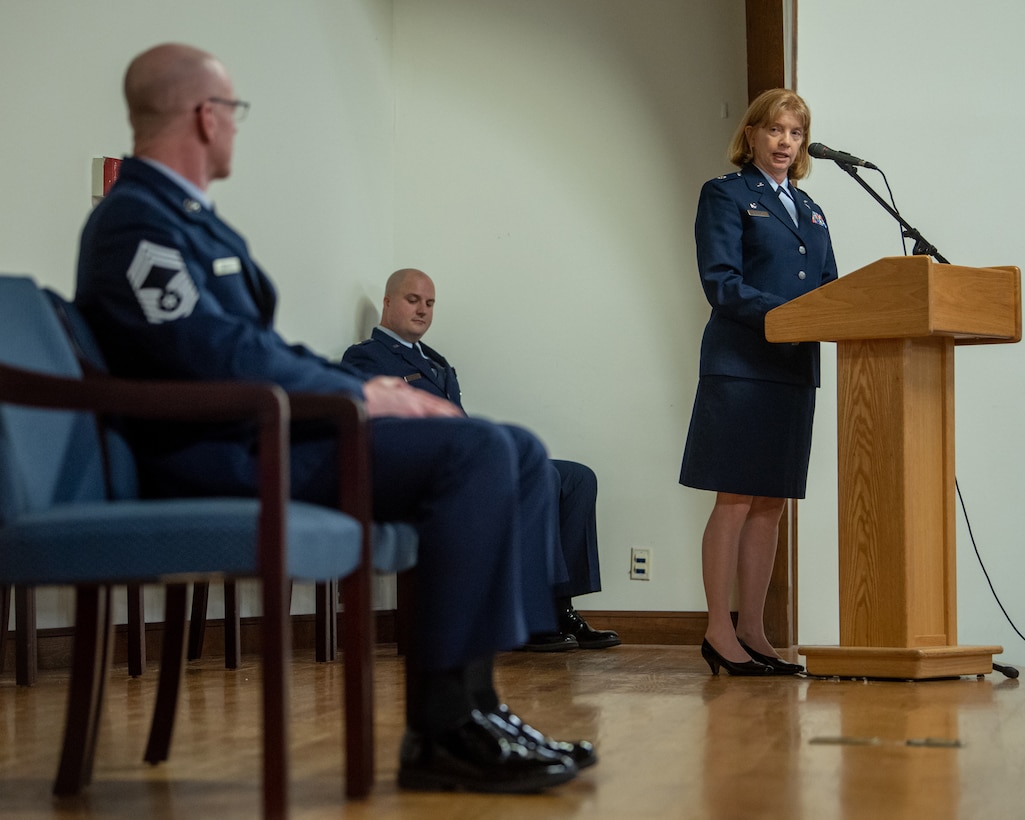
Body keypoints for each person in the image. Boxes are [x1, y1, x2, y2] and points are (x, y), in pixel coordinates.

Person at [74, 42, 596, 793]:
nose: (234, 127)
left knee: (515, 448)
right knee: (478, 450)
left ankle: (478, 705)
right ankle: (444, 725)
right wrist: (359, 393)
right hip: (215, 449)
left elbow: (254, 344)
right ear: (203, 115)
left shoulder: (190, 219)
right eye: (233, 111)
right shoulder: (135, 221)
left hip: (261, 431)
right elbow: (206, 350)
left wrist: (369, 391)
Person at [342, 268, 620, 651]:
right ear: (388, 303)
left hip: (465, 460)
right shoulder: (365, 357)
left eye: (430, 303)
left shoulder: (436, 361)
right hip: (429, 470)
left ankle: (558, 606)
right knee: (544, 477)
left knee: (577, 478)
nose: (423, 310)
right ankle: (528, 618)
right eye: (413, 300)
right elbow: (384, 425)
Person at [679, 88, 837, 677]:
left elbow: (830, 286)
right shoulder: (724, 195)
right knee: (735, 497)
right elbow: (720, 281)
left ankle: (754, 631)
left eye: (795, 133)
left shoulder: (812, 209)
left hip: (794, 369)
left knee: (771, 502)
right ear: (751, 135)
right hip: (742, 363)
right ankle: (718, 631)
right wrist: (789, 319)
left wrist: (831, 316)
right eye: (774, 131)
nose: (785, 143)